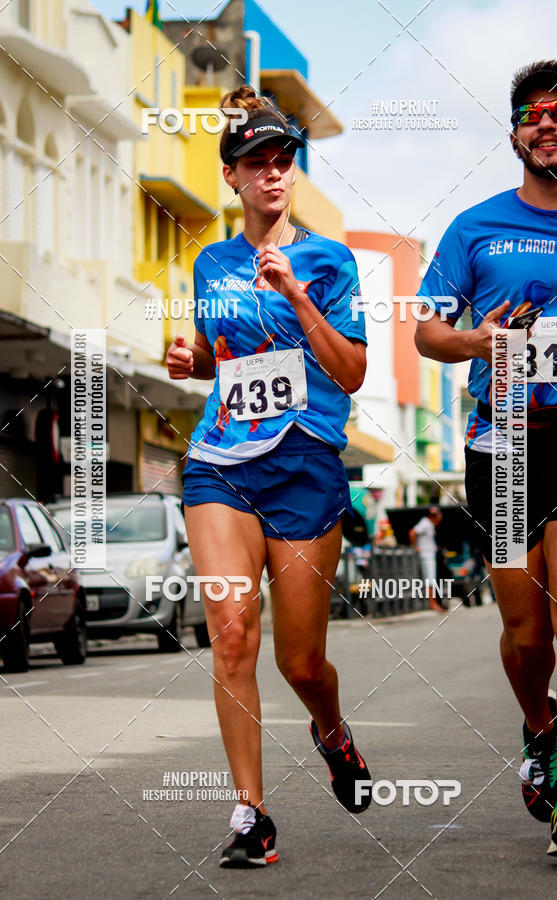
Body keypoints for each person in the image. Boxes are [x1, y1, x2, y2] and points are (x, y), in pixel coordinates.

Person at [166, 85, 372, 868]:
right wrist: (195, 360)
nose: (273, 174)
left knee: (300, 662)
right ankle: (251, 812)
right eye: (257, 163)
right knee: (229, 635)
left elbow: (350, 371)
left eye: (283, 159)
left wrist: (293, 292)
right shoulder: (209, 261)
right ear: (233, 178)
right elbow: (225, 357)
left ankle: (331, 730)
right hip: (222, 461)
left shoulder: (327, 259)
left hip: (304, 462)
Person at [414, 60, 557, 862]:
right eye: (531, 115)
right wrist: (479, 340)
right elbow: (427, 331)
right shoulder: (474, 228)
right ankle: (538, 723)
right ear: (516, 132)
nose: (546, 125)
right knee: (526, 633)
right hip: (507, 444)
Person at [408, 507, 444, 612]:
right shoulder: (426, 523)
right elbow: (412, 532)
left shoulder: (429, 524)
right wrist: (415, 546)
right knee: (430, 580)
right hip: (426, 554)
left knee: (429, 579)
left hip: (428, 553)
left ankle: (431, 603)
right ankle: (432, 604)